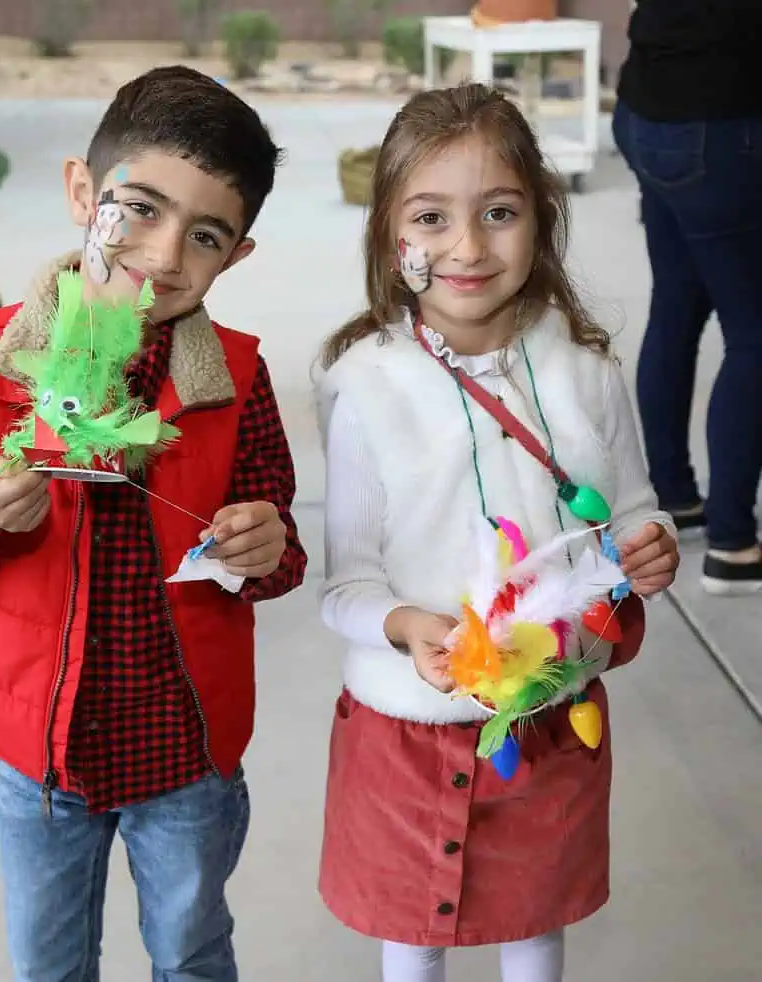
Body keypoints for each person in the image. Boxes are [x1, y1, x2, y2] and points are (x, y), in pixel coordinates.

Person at [0, 66, 307, 982]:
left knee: (190, 949)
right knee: (48, 961)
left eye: (203, 235)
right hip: (40, 756)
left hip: (184, 751)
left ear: (235, 257)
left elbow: (279, 554)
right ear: (82, 191)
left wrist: (261, 548)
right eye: (139, 210)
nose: (160, 257)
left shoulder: (233, 380)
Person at [313, 84, 679, 982]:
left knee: (532, 916)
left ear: (541, 221)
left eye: (499, 212)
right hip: (405, 726)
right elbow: (345, 587)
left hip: (551, 711)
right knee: (411, 931)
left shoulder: (586, 370)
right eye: (430, 217)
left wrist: (650, 546)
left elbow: (633, 511)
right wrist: (407, 628)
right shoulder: (362, 383)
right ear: (388, 239)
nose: (468, 248)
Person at [613, 0, 762, 594]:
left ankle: (675, 497)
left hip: (649, 112)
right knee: (754, 335)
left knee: (677, 303)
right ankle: (733, 544)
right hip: (721, 126)